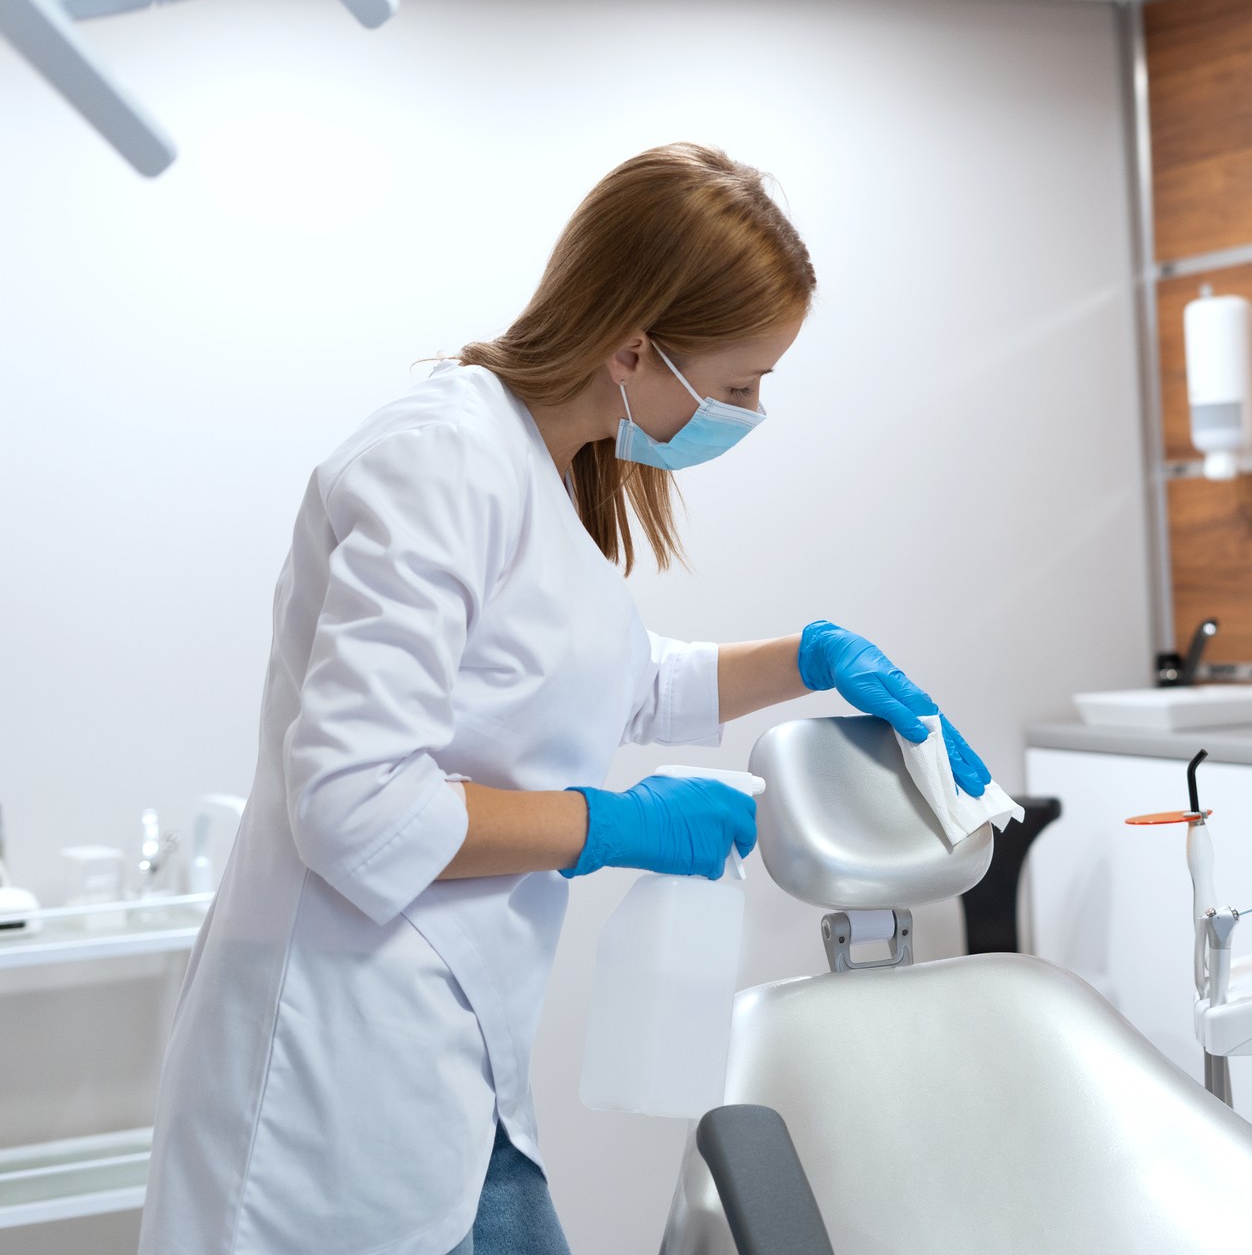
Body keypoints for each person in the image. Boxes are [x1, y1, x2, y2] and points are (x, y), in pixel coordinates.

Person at [137, 143, 989, 1255]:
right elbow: (355, 807)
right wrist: (615, 825)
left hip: (456, 1052)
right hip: (336, 1060)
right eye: (739, 384)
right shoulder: (438, 462)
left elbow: (616, 679)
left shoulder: (541, 461)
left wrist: (811, 656)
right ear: (635, 347)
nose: (753, 410)